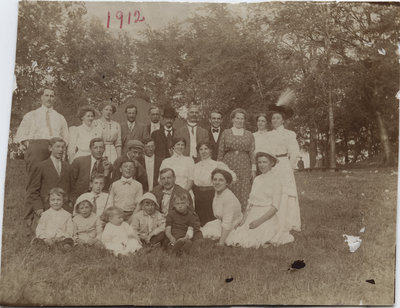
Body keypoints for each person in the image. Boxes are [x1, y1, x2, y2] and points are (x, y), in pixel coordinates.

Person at [226, 152, 294, 248]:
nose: (261, 165)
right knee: (238, 233)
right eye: (259, 162)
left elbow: (275, 207)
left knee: (256, 235)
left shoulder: (276, 180)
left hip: (267, 215)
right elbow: (251, 202)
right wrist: (244, 219)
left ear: (271, 163)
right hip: (253, 213)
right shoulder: (257, 179)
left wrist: (258, 221)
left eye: (264, 162)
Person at [265, 104, 301, 232]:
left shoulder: (289, 134)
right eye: (273, 118)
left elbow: (295, 153)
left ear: (283, 120)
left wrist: (290, 168)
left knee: (286, 192)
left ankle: (289, 221)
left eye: (278, 118)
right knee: (273, 192)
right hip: (272, 166)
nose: (275, 121)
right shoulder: (268, 135)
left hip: (284, 164)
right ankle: (273, 221)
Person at [15, 88, 69, 173]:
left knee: (53, 176)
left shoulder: (60, 117)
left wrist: (61, 147)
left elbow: (66, 136)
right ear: (41, 97)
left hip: (55, 147)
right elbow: (21, 134)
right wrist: (31, 146)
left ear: (54, 99)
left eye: (52, 96)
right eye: (46, 95)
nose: (49, 98)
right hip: (36, 148)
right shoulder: (31, 115)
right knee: (35, 176)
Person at [25, 137, 72, 230]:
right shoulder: (41, 166)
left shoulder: (68, 166)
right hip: (46, 207)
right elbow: (33, 190)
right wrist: (38, 207)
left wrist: (71, 202)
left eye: (63, 147)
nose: (61, 150)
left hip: (64, 207)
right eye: (57, 147)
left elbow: (72, 187)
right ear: (50, 148)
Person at [217, 108, 255, 210]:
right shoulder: (226, 132)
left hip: (244, 165)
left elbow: (252, 152)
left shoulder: (249, 134)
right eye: (237, 118)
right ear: (232, 119)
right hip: (228, 164)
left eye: (242, 119)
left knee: (244, 189)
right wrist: (219, 168)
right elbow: (221, 151)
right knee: (229, 188)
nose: (239, 121)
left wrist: (253, 169)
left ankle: (243, 217)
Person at [191, 142, 236, 226]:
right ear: (198, 152)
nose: (203, 151)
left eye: (206, 149)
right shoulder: (195, 166)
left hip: (212, 194)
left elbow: (232, 177)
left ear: (210, 150)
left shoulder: (217, 164)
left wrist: (222, 189)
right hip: (198, 195)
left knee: (212, 220)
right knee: (200, 220)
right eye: (201, 149)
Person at [201, 169, 242, 246]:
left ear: (227, 183)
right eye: (215, 179)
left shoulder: (229, 198)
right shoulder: (218, 193)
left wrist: (221, 243)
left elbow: (227, 222)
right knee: (205, 232)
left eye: (221, 180)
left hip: (233, 224)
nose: (217, 183)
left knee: (229, 239)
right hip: (222, 222)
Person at [70, 138, 112, 203]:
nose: (99, 150)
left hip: (97, 199)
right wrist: (73, 199)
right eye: (95, 148)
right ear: (90, 149)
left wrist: (106, 172)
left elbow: (106, 187)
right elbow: (71, 181)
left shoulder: (107, 165)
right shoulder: (79, 161)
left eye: (101, 148)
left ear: (104, 149)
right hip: (79, 197)